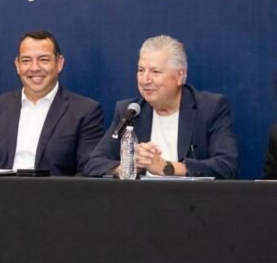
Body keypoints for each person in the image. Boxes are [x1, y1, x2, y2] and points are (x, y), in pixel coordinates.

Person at [84, 35, 238, 178]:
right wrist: (127, 167)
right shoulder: (130, 111)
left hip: (192, 197)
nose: (145, 80)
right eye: (141, 70)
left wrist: (165, 167)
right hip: (140, 197)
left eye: (155, 72)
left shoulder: (209, 108)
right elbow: (94, 163)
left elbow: (227, 165)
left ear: (180, 76)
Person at [0, 31, 104, 176]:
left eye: (43, 60)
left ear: (59, 63)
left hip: (55, 191)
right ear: (17, 65)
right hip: (0, 190)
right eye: (26, 61)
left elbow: (87, 173)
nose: (35, 68)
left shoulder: (85, 111)